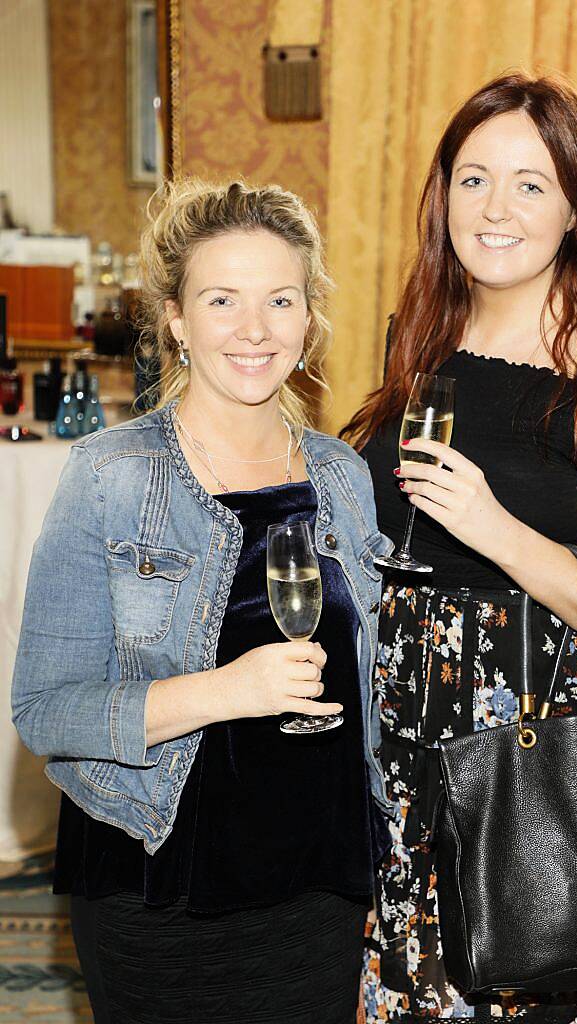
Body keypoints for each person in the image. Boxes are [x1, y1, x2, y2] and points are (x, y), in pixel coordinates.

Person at [343, 73, 577, 1022]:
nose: (495, 209)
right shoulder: (422, 332)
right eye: (473, 179)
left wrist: (492, 526)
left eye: (531, 185)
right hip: (407, 731)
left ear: (574, 207)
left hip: (527, 745)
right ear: (441, 191)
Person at [12, 178, 393, 1024]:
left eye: (278, 300)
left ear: (307, 318)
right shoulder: (111, 476)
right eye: (222, 299)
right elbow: (46, 710)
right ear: (177, 319)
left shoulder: (341, 475)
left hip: (318, 881)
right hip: (158, 879)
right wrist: (229, 693)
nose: (253, 330)